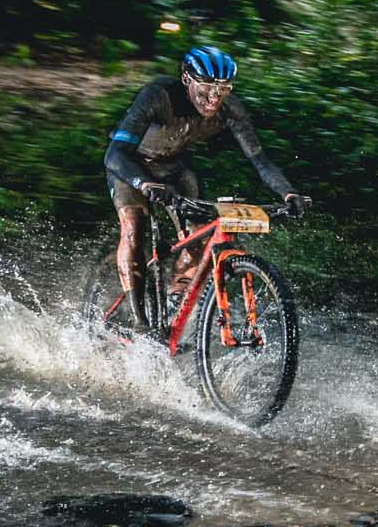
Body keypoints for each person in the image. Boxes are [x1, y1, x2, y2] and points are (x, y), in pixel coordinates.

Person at [103, 45, 306, 327]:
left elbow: (260, 161)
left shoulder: (230, 110)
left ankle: (175, 300)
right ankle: (140, 322)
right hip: (132, 166)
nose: (214, 98)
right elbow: (114, 154)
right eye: (207, 87)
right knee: (134, 227)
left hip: (174, 170)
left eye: (223, 89)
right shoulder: (158, 96)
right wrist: (143, 182)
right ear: (187, 79)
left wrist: (288, 192)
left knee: (198, 240)